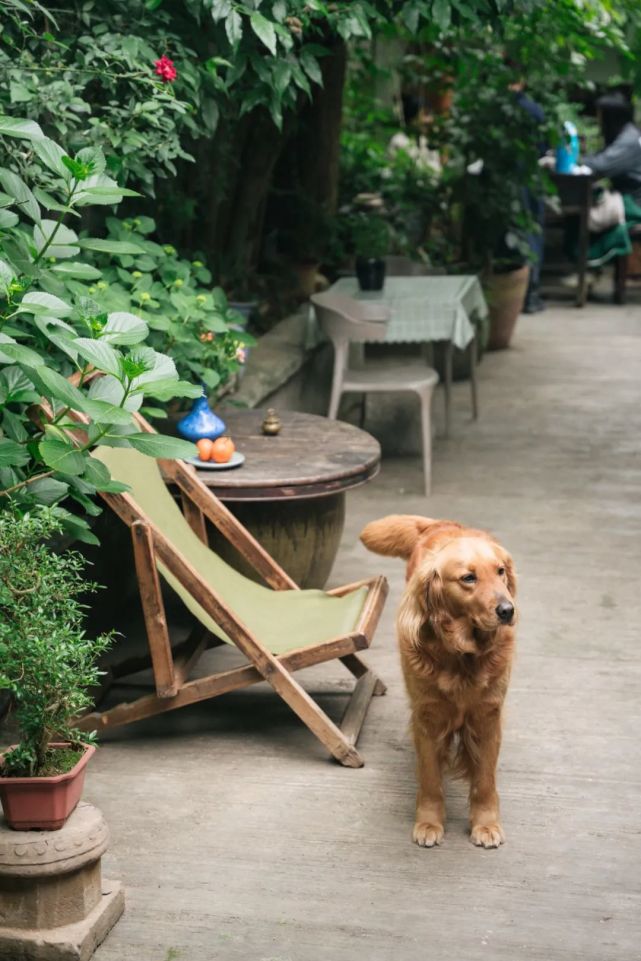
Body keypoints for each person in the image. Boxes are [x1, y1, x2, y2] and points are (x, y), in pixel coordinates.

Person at [581, 92, 641, 268]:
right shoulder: (626, 134)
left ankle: (587, 262)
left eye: (601, 116)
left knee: (585, 215)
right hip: (628, 197)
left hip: (635, 205)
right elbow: (602, 158)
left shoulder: (629, 140)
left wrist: (574, 159)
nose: (598, 121)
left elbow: (601, 165)